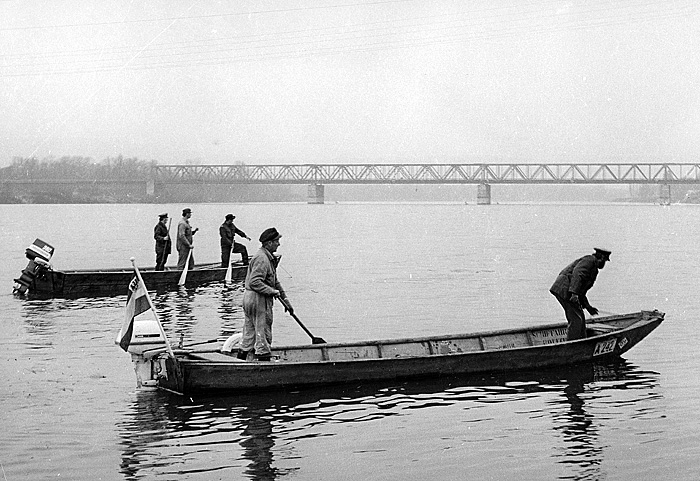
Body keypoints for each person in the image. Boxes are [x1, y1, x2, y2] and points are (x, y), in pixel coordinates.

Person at [238, 227, 294, 361]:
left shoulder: (268, 258)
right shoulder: (262, 258)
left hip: (250, 298)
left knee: (249, 334)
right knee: (263, 334)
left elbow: (274, 282)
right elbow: (254, 282)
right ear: (268, 243)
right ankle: (264, 365)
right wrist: (272, 291)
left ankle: (240, 361)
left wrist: (286, 300)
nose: (278, 244)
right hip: (258, 299)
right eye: (276, 241)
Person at [550, 248, 611, 340]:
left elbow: (582, 292)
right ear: (602, 257)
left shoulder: (593, 267)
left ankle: (581, 341)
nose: (604, 264)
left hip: (567, 289)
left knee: (580, 317)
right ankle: (572, 345)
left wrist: (588, 307)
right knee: (576, 319)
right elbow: (577, 274)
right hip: (564, 288)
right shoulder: (589, 260)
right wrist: (574, 294)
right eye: (605, 260)